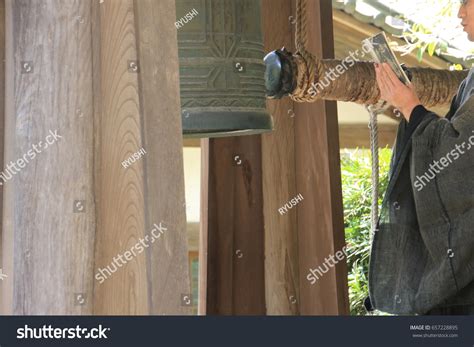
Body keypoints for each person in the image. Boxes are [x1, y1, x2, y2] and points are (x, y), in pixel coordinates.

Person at [367, 0, 474, 315]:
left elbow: (460, 163)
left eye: (467, 2)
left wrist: (411, 107)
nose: (459, 14)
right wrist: (411, 109)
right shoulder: (470, 80)